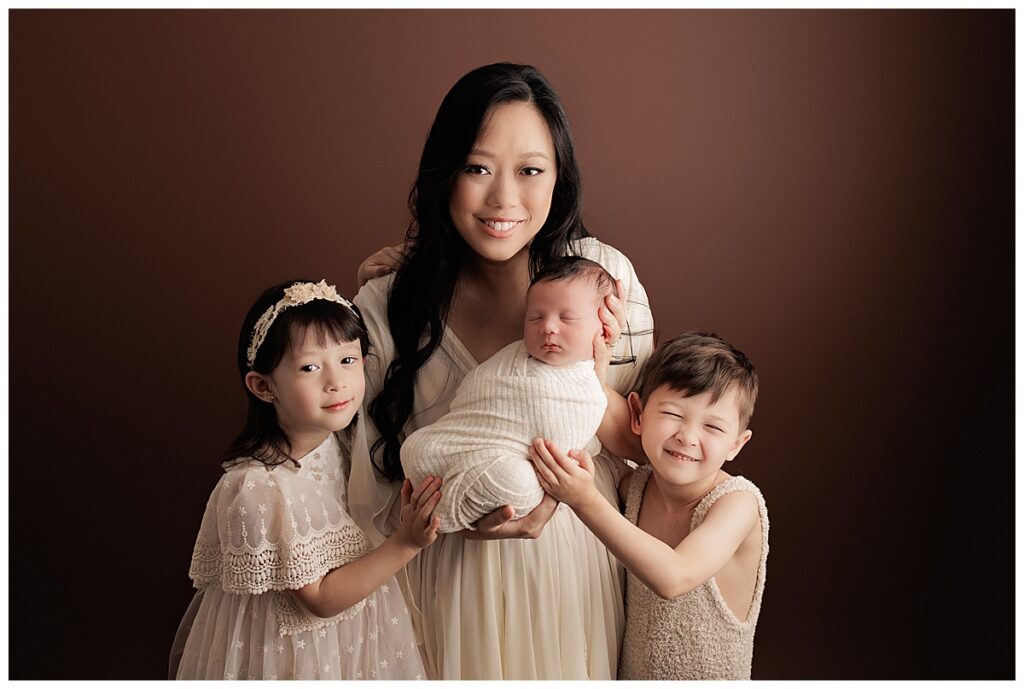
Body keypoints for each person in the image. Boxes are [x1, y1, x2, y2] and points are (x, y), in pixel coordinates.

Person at [347, 62, 655, 679]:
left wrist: (592, 372)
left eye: (530, 171)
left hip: (571, 571)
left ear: (558, 178)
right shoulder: (387, 302)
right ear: (444, 175)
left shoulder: (603, 279)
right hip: (438, 581)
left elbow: (643, 446)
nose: (503, 199)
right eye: (477, 168)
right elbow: (367, 490)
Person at [170, 279, 442, 680]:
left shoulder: (345, 444)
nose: (335, 381)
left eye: (347, 360)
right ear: (263, 387)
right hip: (298, 656)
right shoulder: (258, 488)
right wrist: (406, 542)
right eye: (309, 367)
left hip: (358, 641)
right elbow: (319, 598)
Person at [530, 330, 769, 680]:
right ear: (638, 415)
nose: (687, 437)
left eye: (712, 427)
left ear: (736, 444)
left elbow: (675, 577)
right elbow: (606, 431)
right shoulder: (636, 488)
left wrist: (584, 499)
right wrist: (592, 376)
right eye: (673, 413)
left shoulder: (737, 504)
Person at [401, 257, 614, 533]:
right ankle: (447, 493)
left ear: (604, 329)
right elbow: (472, 393)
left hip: (512, 467)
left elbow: (563, 451)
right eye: (535, 317)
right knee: (416, 448)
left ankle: (442, 513)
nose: (547, 327)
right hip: (466, 441)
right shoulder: (513, 355)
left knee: (520, 484)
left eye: (567, 318)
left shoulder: (588, 393)